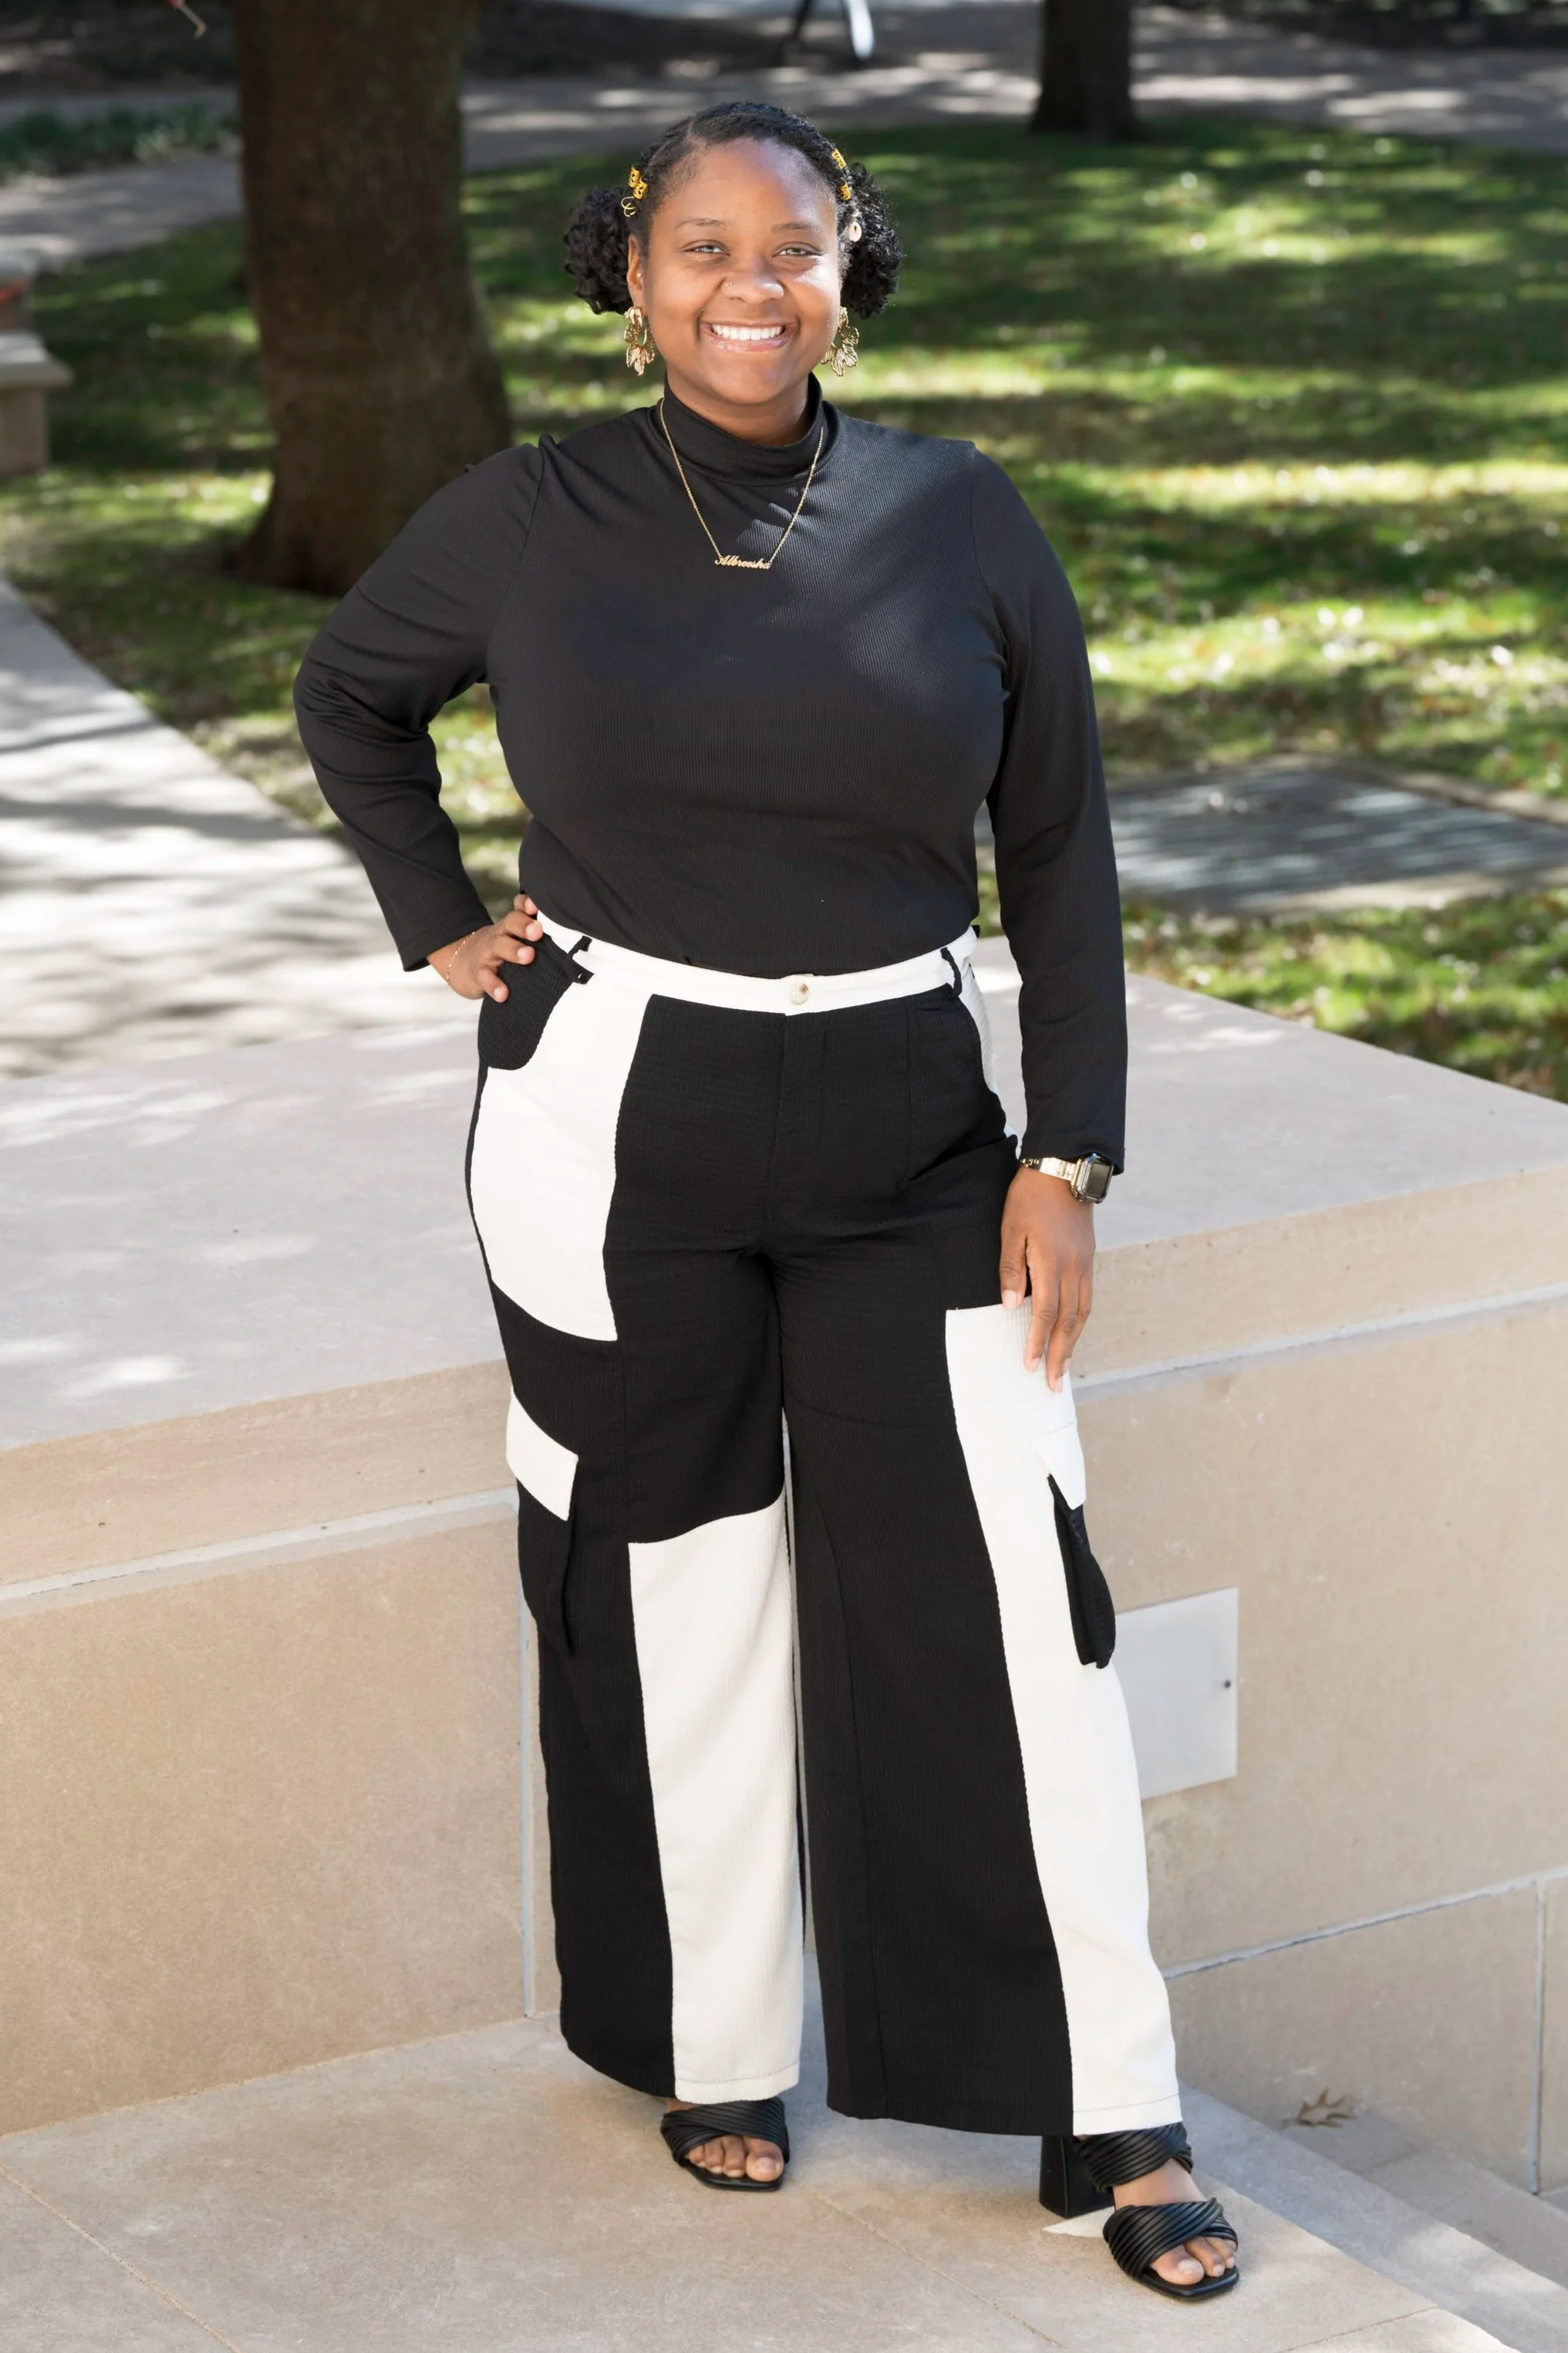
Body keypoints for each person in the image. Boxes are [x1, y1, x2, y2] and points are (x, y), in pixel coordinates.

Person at [294, 100, 1238, 2304]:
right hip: (616, 1117)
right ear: (630, 276)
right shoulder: (528, 517)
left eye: (791, 244)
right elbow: (354, 693)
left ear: (849, 264)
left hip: (913, 1115)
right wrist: (435, 910)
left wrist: (1066, 1151)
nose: (749, 283)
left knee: (1007, 1596)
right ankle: (712, 2043)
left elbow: (1067, 855)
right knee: (670, 1584)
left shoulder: (959, 520)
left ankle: (1109, 2105)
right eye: (701, 244)